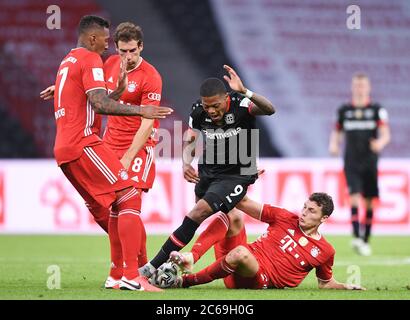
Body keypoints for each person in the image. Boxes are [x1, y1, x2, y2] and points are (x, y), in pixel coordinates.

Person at [51, 15, 172, 291]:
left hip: (133, 147)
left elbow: (138, 118)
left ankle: (121, 273)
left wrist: (130, 154)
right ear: (99, 40)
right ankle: (134, 272)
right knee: (125, 199)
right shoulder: (99, 61)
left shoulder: (150, 76)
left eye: (131, 50)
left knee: (122, 202)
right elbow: (100, 101)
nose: (118, 52)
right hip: (91, 142)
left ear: (140, 47)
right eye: (114, 45)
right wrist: (139, 109)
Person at [139, 65, 275, 278]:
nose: (211, 110)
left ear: (225, 99)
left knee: (198, 213)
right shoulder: (198, 110)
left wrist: (245, 90)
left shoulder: (241, 103)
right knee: (223, 218)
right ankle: (209, 264)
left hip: (237, 174)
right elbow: (192, 138)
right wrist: (185, 163)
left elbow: (269, 109)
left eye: (215, 105)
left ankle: (153, 266)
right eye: (206, 105)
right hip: (208, 172)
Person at [170, 193, 366, 291]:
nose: (304, 213)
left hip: (257, 278)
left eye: (312, 211)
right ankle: (192, 256)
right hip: (234, 260)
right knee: (234, 214)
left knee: (241, 253)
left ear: (324, 219)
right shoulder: (285, 217)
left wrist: (344, 287)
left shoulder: (325, 251)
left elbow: (325, 283)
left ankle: (184, 281)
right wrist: (236, 179)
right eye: (304, 207)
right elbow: (244, 202)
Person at [329, 73, 390, 256]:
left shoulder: (377, 109)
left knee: (369, 200)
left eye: (363, 86)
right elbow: (337, 132)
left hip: (370, 161)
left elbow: (386, 134)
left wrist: (380, 143)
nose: (360, 89)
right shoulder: (344, 110)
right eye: (357, 86)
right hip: (351, 160)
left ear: (368, 88)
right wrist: (334, 145)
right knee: (354, 195)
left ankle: (365, 238)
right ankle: (356, 236)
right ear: (352, 88)